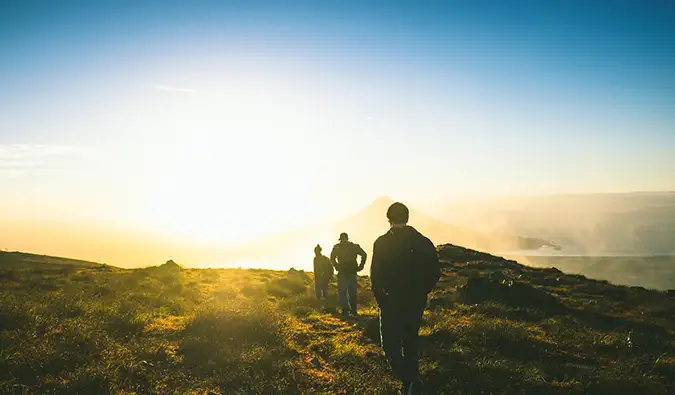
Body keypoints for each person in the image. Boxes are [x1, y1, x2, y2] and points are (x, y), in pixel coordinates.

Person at [370, 202, 440, 395]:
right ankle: (412, 383)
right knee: (410, 340)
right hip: (415, 301)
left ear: (388, 218)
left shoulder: (382, 243)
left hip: (390, 300)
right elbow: (435, 272)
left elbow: (375, 275)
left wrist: (381, 299)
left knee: (390, 346)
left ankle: (408, 380)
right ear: (407, 217)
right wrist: (422, 292)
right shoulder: (423, 241)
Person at [330, 232, 367, 316]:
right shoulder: (354, 246)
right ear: (347, 238)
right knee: (352, 293)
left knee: (343, 292)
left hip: (342, 272)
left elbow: (332, 258)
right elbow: (364, 254)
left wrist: (337, 266)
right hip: (352, 272)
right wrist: (361, 266)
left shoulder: (337, 247)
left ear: (340, 239)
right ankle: (353, 311)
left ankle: (345, 311)